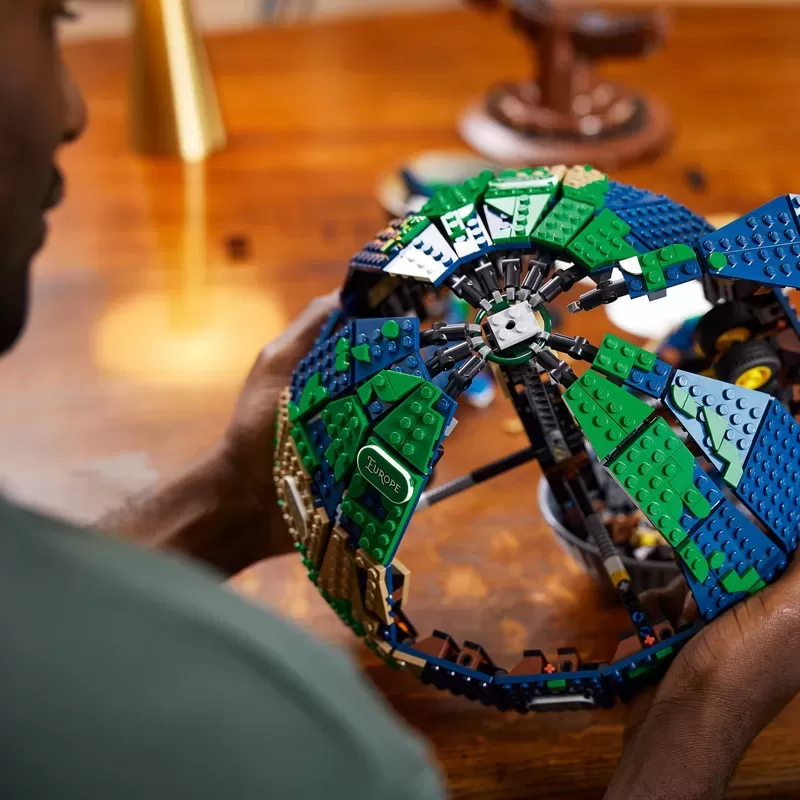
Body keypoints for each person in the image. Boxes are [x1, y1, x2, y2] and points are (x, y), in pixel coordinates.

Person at [1, 3, 798, 799]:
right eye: (49, 19)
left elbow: (37, 614)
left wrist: (233, 494)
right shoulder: (323, 752)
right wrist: (703, 705)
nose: (75, 111)